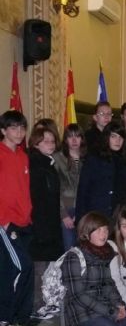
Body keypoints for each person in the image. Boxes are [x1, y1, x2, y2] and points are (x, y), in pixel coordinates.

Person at [61, 212, 126, 326]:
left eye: (105, 230)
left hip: (107, 308)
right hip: (82, 313)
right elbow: (78, 295)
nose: (103, 234)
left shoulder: (107, 253)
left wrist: (118, 304)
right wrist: (111, 311)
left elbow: (109, 284)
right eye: (98, 230)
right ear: (86, 232)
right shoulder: (74, 257)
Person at [0, 110, 33, 325]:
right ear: (3, 130)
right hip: (5, 221)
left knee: (10, 269)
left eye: (22, 127)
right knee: (24, 266)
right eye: (13, 127)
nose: (19, 132)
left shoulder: (23, 155)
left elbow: (23, 190)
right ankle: (9, 316)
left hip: (23, 222)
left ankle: (19, 317)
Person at [28, 126, 65, 315]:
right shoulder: (36, 165)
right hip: (40, 227)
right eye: (46, 141)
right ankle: (36, 309)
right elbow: (37, 200)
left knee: (47, 270)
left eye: (52, 141)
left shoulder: (47, 163)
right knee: (38, 270)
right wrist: (41, 229)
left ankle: (44, 306)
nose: (51, 144)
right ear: (36, 143)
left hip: (49, 225)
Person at [76, 121, 126, 222]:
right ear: (106, 138)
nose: (118, 140)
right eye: (114, 136)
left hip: (116, 217)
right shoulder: (94, 159)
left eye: (121, 137)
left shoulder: (124, 161)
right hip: (95, 214)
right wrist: (80, 219)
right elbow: (83, 190)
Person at [55, 123, 86, 250]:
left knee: (84, 250)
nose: (74, 140)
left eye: (77, 136)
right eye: (70, 137)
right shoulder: (57, 158)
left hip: (83, 208)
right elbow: (55, 190)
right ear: (65, 139)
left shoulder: (88, 158)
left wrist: (82, 210)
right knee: (69, 250)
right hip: (66, 209)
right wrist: (63, 214)